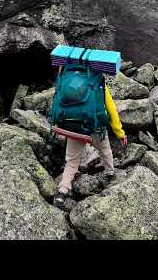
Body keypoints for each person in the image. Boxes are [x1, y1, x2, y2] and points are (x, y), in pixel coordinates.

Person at [53, 65, 128, 208]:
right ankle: (110, 174)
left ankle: (62, 191)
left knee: (72, 161)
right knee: (105, 151)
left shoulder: (66, 79)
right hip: (95, 129)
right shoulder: (97, 83)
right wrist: (120, 133)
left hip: (73, 128)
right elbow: (111, 111)